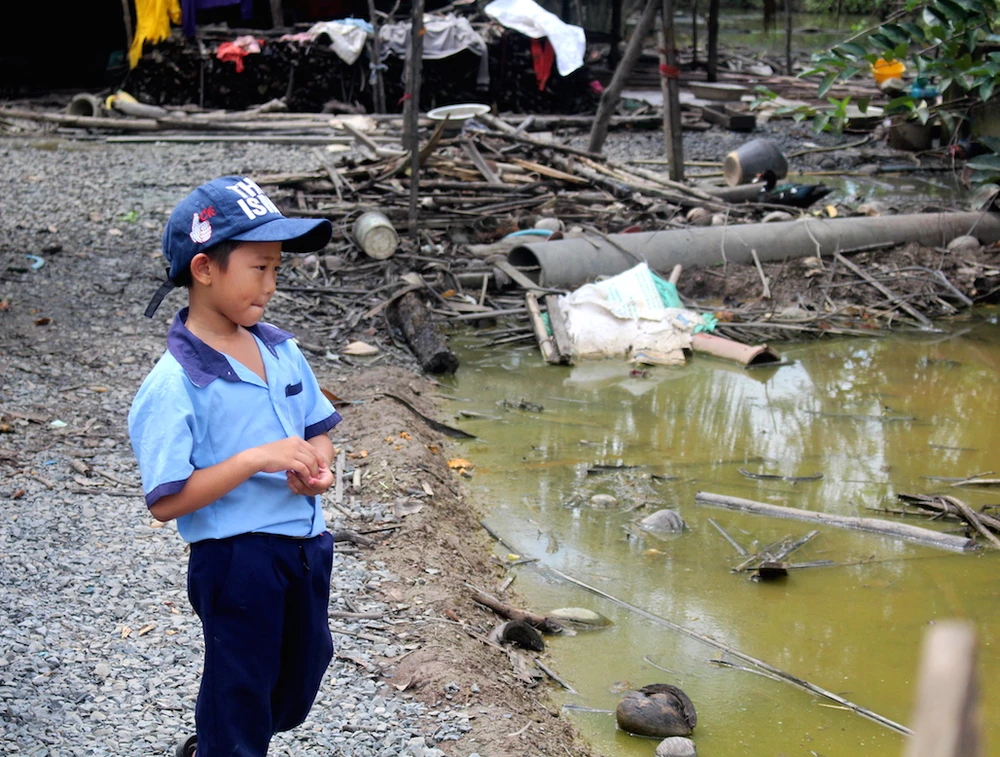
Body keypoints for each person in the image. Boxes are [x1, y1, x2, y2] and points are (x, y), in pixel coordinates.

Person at [128, 176, 341, 757]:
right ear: (204, 269)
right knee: (239, 686)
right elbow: (165, 501)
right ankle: (225, 744)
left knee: (301, 677)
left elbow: (318, 434)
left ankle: (219, 744)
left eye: (277, 269)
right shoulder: (175, 383)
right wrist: (253, 460)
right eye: (260, 268)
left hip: (305, 546)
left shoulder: (280, 348)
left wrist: (316, 468)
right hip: (237, 559)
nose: (272, 285)